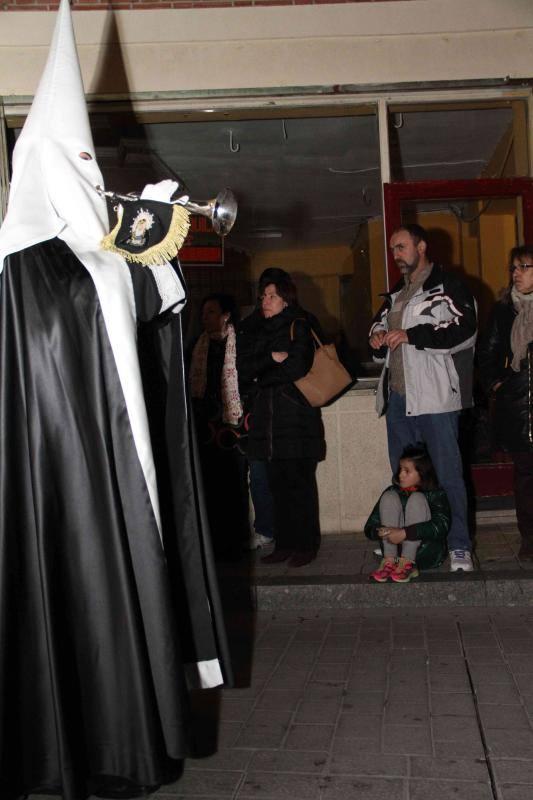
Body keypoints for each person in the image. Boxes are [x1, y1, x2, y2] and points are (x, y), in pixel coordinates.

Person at [0, 3, 230, 798]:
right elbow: (87, 307)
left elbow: (144, 326)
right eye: (79, 164)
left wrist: (155, 252)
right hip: (53, 471)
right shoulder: (27, 261)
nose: (91, 179)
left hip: (107, 467)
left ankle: (122, 741)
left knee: (112, 597)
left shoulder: (81, 254)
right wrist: (130, 256)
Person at [369, 223, 477, 573]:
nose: (396, 255)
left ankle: (459, 545)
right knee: (405, 478)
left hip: (435, 400)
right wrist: (378, 337)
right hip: (400, 400)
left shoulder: (448, 287)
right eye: (393, 249)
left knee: (447, 475)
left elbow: (465, 331)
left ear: (422, 247)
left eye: (401, 247)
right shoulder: (397, 295)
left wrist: (411, 334)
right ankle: (409, 549)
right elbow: (376, 328)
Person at [244, 274, 326, 567]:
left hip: (296, 420)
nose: (265, 302)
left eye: (271, 296)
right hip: (267, 423)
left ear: (286, 299)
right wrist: (269, 360)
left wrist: (263, 372)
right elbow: (245, 368)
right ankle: (284, 543)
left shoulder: (300, 325)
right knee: (276, 485)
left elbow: (295, 368)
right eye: (263, 296)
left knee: (299, 485)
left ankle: (305, 544)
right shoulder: (256, 329)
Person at [478, 245, 533, 559]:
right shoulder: (502, 310)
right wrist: (499, 383)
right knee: (525, 475)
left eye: (524, 266)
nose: (517, 273)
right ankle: (529, 538)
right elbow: (487, 355)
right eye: (514, 267)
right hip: (518, 403)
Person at [190, 293, 249, 559]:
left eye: (211, 312)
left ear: (225, 315)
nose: (205, 318)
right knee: (211, 483)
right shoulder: (197, 345)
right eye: (203, 313)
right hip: (206, 426)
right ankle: (215, 542)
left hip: (232, 427)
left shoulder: (240, 342)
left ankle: (237, 540)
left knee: (234, 483)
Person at [365, 445, 450, 582]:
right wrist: (379, 531)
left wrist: (406, 533)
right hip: (394, 553)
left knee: (417, 499)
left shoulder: (435, 494)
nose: (400, 475)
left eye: (407, 471)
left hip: (424, 553)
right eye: (400, 469)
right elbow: (369, 527)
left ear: (422, 473)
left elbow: (441, 525)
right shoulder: (393, 490)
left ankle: (408, 563)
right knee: (389, 497)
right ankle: (389, 561)